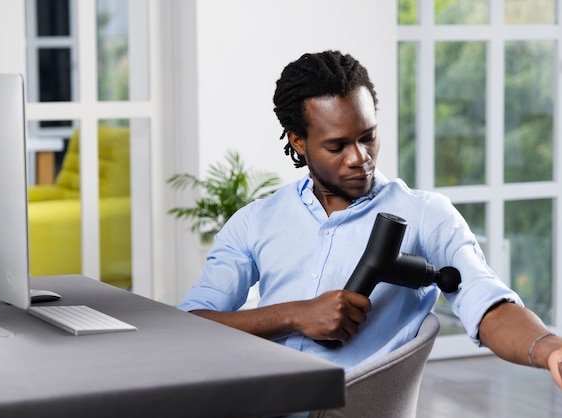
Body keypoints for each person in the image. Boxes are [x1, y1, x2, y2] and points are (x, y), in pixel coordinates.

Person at [178, 50, 562, 388]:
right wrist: (294, 315)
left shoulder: (425, 215)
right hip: (254, 397)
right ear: (298, 141)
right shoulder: (257, 221)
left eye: (368, 136)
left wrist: (549, 349)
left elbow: (489, 306)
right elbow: (191, 324)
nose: (359, 157)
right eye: (337, 145)